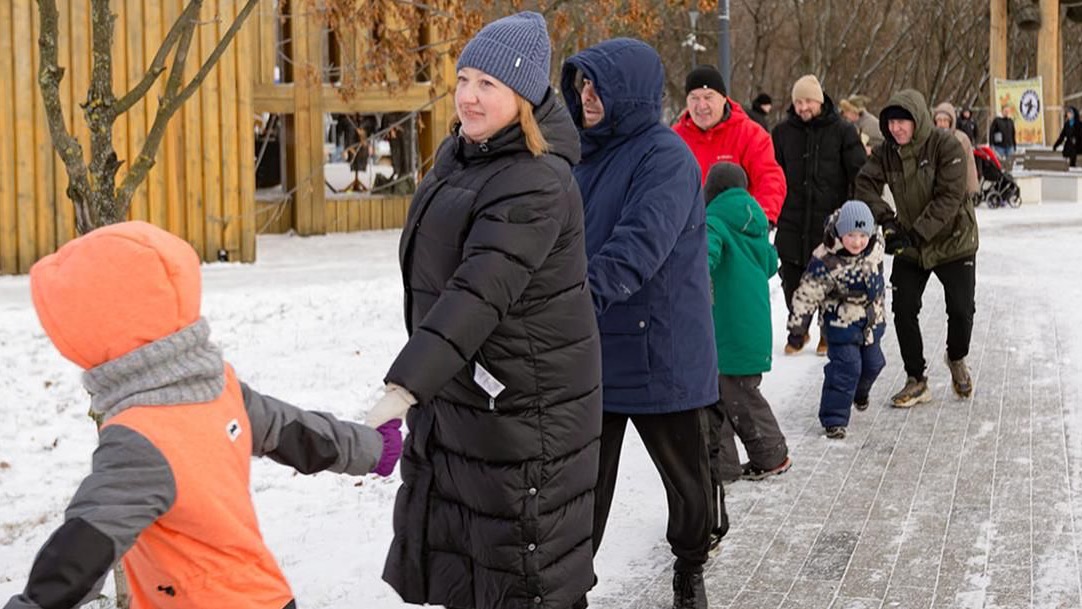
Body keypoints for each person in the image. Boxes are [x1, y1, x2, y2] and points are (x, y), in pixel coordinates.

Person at [4, 221, 402, 609]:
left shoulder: (138, 437)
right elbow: (294, 431)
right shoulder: (216, 388)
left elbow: (83, 547)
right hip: (266, 595)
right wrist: (370, 447)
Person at [371, 12, 603, 609]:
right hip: (470, 400)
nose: (469, 96)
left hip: (524, 415)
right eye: (464, 79)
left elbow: (475, 294)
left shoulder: (536, 181)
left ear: (522, 96)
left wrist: (403, 388)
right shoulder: (464, 156)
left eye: (488, 84)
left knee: (524, 582)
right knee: (471, 575)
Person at [561, 38, 718, 609]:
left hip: (662, 351)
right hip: (597, 348)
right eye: (580, 85)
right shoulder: (578, 155)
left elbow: (638, 245)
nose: (587, 95)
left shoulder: (666, 156)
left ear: (628, 91)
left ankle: (690, 564)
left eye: (597, 86)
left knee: (687, 484)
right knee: (579, 489)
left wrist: (571, 303)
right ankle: (570, 584)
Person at [855, 89, 977, 408]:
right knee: (904, 308)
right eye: (891, 122)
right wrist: (888, 222)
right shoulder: (886, 152)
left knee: (961, 310)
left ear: (918, 120)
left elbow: (949, 197)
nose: (896, 128)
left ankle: (956, 357)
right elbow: (864, 184)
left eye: (903, 122)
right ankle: (916, 379)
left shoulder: (945, 145)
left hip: (954, 240)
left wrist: (916, 233)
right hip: (910, 242)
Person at [702, 162, 790, 485]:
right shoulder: (754, 225)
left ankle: (772, 454)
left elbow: (704, 258)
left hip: (728, 332)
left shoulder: (713, 222)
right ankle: (723, 467)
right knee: (718, 396)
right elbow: (769, 262)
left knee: (739, 399)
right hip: (751, 330)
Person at [772, 75, 866, 357]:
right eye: (798, 102)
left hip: (829, 222)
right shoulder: (782, 133)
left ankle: (827, 332)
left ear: (820, 101)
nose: (803, 107)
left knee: (829, 281)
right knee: (792, 280)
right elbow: (772, 173)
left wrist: (853, 213)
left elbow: (859, 173)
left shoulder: (843, 131)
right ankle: (798, 329)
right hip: (791, 220)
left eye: (808, 101)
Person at [787, 201, 886, 439]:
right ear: (840, 232)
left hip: (871, 322)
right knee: (847, 368)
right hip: (840, 323)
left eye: (862, 235)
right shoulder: (825, 260)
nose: (857, 241)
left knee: (874, 364)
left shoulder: (875, 247)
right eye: (851, 234)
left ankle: (859, 393)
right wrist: (798, 329)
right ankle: (834, 419)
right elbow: (806, 295)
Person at [673, 64, 787, 225]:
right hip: (685, 233)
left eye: (708, 97)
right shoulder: (674, 139)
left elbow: (769, 177)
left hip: (734, 233)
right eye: (694, 98)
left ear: (723, 98)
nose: (701, 105)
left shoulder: (749, 134)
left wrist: (762, 218)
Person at [933, 102, 980, 201]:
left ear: (951, 122)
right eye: (939, 120)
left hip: (958, 188)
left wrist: (972, 188)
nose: (942, 124)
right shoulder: (930, 139)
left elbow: (970, 164)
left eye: (945, 120)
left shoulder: (961, 139)